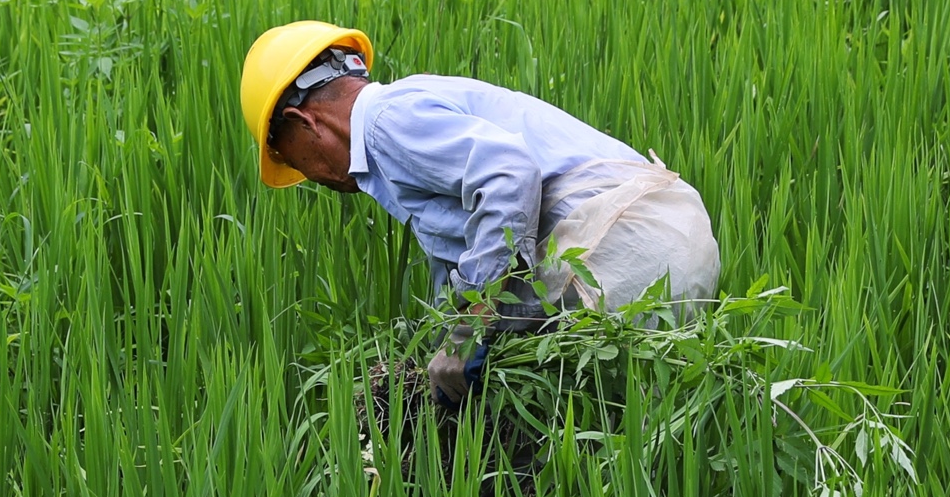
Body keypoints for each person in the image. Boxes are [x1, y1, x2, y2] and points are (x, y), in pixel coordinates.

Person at [238, 20, 720, 402]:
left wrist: (470, 326)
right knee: (631, 439)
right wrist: (447, 341)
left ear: (303, 123)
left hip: (619, 243)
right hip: (659, 239)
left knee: (583, 445)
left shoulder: (386, 123)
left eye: (287, 157)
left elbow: (509, 175)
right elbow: (474, 252)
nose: (309, 176)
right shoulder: (412, 112)